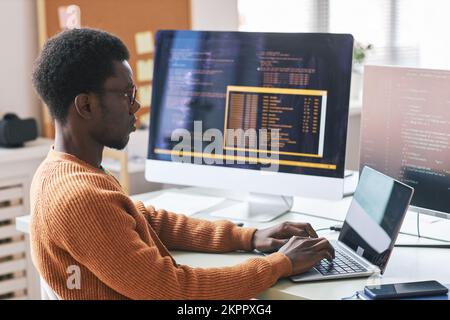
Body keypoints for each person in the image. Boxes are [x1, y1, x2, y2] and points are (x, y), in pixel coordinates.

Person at [30, 28, 335, 300]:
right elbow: (173, 289)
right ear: (85, 105)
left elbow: (146, 219)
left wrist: (250, 237)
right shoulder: (80, 197)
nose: (136, 106)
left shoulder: (65, 169)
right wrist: (281, 264)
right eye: (126, 94)